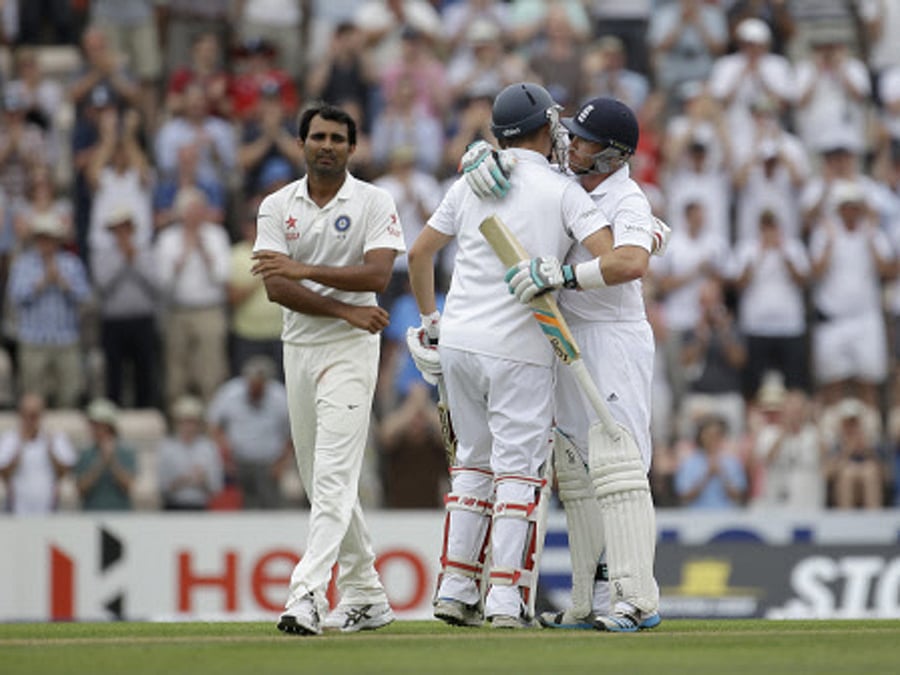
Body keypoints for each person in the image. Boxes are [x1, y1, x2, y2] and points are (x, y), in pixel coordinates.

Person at [457, 95, 670, 631]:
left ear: (613, 154)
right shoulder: (566, 180)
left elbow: (631, 261)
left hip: (613, 340)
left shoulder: (628, 198)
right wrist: (479, 154)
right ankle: (588, 601)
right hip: (566, 338)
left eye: (584, 140)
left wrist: (566, 276)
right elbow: (515, 163)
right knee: (577, 472)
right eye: (571, 134)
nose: (571, 144)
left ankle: (635, 600)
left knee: (620, 469)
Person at [406, 82, 609, 629]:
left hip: (458, 341)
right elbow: (609, 256)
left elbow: (419, 254)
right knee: (519, 474)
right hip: (520, 346)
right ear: (545, 127)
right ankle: (503, 600)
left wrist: (430, 323)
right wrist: (565, 274)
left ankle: (455, 589)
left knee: (471, 464)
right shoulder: (563, 191)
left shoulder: (472, 180)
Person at [250, 103, 405, 636]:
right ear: (301, 144)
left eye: (338, 139)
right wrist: (344, 307)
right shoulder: (276, 205)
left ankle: (307, 596)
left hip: (351, 350)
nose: (327, 146)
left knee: (335, 475)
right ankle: (366, 593)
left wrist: (303, 270)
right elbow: (276, 287)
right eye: (318, 137)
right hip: (300, 346)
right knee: (321, 482)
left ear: (352, 148)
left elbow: (378, 274)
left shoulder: (374, 201)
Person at [207, 356, 293, 509]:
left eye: (260, 385)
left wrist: (282, 463)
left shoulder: (280, 396)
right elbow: (213, 425)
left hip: (270, 463)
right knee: (242, 506)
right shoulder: (230, 393)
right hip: (237, 461)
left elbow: (292, 433)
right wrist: (224, 454)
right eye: (253, 384)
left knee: (270, 506)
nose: (255, 388)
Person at [0, 393, 77, 514]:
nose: (30, 420)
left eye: (34, 415)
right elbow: (4, 473)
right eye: (26, 415)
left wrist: (51, 452)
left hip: (48, 510)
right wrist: (18, 450)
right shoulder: (9, 439)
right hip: (17, 510)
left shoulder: (55, 437)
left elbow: (65, 472)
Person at [157, 394, 224, 510]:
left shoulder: (209, 448)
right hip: (173, 508)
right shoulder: (167, 447)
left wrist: (203, 481)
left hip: (200, 508)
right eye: (184, 421)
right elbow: (161, 487)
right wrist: (183, 480)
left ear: (199, 423)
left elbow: (217, 487)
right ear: (177, 422)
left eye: (192, 421)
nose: (188, 426)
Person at [74, 397, 137, 511]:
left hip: (121, 515)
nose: (92, 429)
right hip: (91, 514)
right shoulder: (84, 453)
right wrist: (101, 463)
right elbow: (80, 490)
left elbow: (128, 486)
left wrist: (112, 462)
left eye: (97, 425)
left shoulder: (126, 451)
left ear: (108, 426)